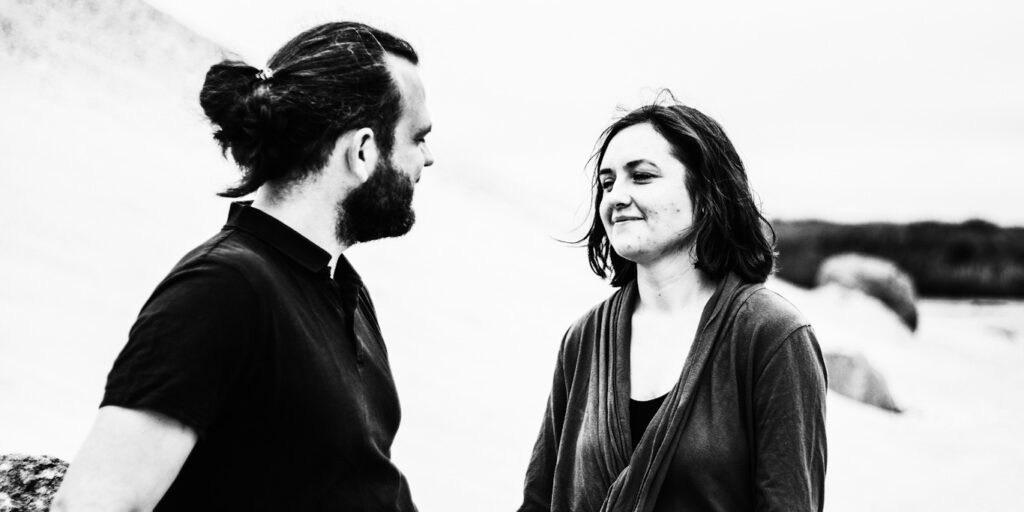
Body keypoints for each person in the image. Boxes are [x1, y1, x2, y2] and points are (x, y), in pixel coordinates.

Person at [52, 21, 433, 511]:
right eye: (417, 138)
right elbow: (93, 502)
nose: (428, 158)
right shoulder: (223, 289)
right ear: (361, 151)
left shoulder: (342, 288)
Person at [518, 97, 827, 512]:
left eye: (641, 177)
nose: (616, 197)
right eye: (607, 183)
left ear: (707, 193)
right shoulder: (584, 338)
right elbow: (539, 500)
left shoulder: (771, 336)